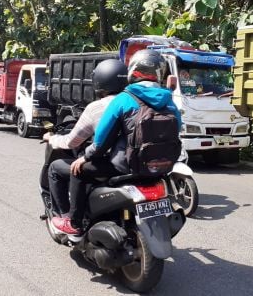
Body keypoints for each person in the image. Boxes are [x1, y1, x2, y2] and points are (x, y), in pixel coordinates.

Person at [67, 49, 182, 226]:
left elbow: (100, 142)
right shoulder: (169, 101)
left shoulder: (123, 99)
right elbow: (177, 130)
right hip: (162, 167)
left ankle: (73, 223)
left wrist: (85, 157)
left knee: (78, 171)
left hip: (126, 167)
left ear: (133, 72)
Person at [43, 59, 128, 236]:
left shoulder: (97, 107)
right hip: (138, 162)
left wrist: (52, 139)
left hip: (113, 164)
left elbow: (71, 142)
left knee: (58, 168)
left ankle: (71, 220)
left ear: (99, 82)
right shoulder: (135, 101)